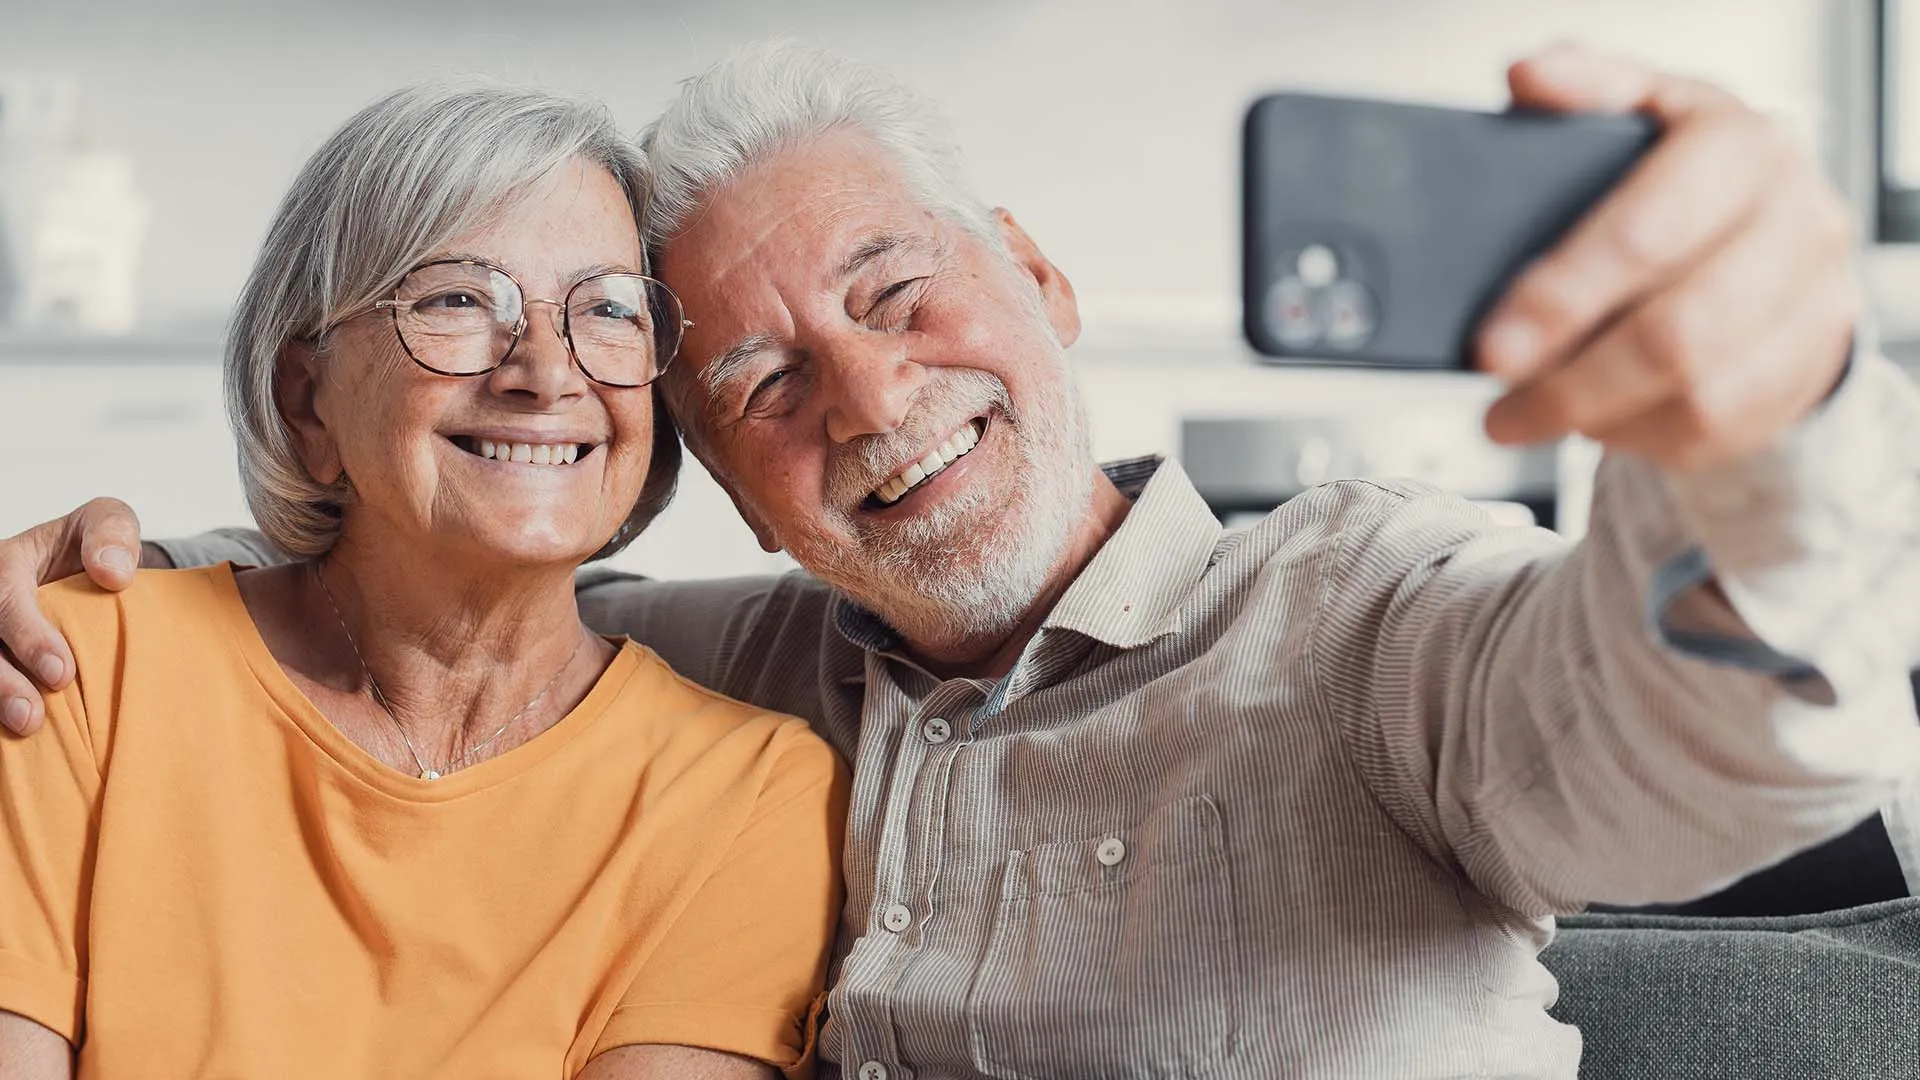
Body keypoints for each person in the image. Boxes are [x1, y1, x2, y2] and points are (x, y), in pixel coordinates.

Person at [5, 40, 1920, 1079]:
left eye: (900, 291)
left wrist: (1775, 427)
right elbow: (420, 595)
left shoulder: (1361, 620)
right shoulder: (732, 665)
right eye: (758, 376)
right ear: (723, 482)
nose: (863, 393)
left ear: (1047, 283)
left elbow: (1718, 750)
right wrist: (95, 571)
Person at [0, 82, 846, 1079]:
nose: (544, 370)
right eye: (455, 300)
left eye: (610, 310)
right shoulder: (77, 668)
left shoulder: (749, 792)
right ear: (307, 401)